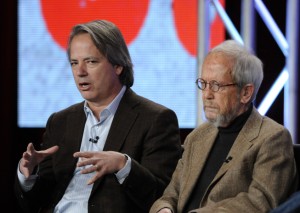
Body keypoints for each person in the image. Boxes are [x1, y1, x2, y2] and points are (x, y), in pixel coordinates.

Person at [14, 20, 182, 213]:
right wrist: (28, 176)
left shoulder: (155, 119)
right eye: (74, 63)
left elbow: (162, 197)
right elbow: (36, 203)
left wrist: (123, 165)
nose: (80, 72)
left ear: (118, 65)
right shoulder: (60, 122)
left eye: (91, 61)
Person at [150, 39, 298, 213]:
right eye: (203, 84)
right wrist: (164, 210)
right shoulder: (197, 137)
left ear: (245, 93)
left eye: (216, 85)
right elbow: (170, 195)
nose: (206, 95)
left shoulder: (272, 138)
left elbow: (261, 203)